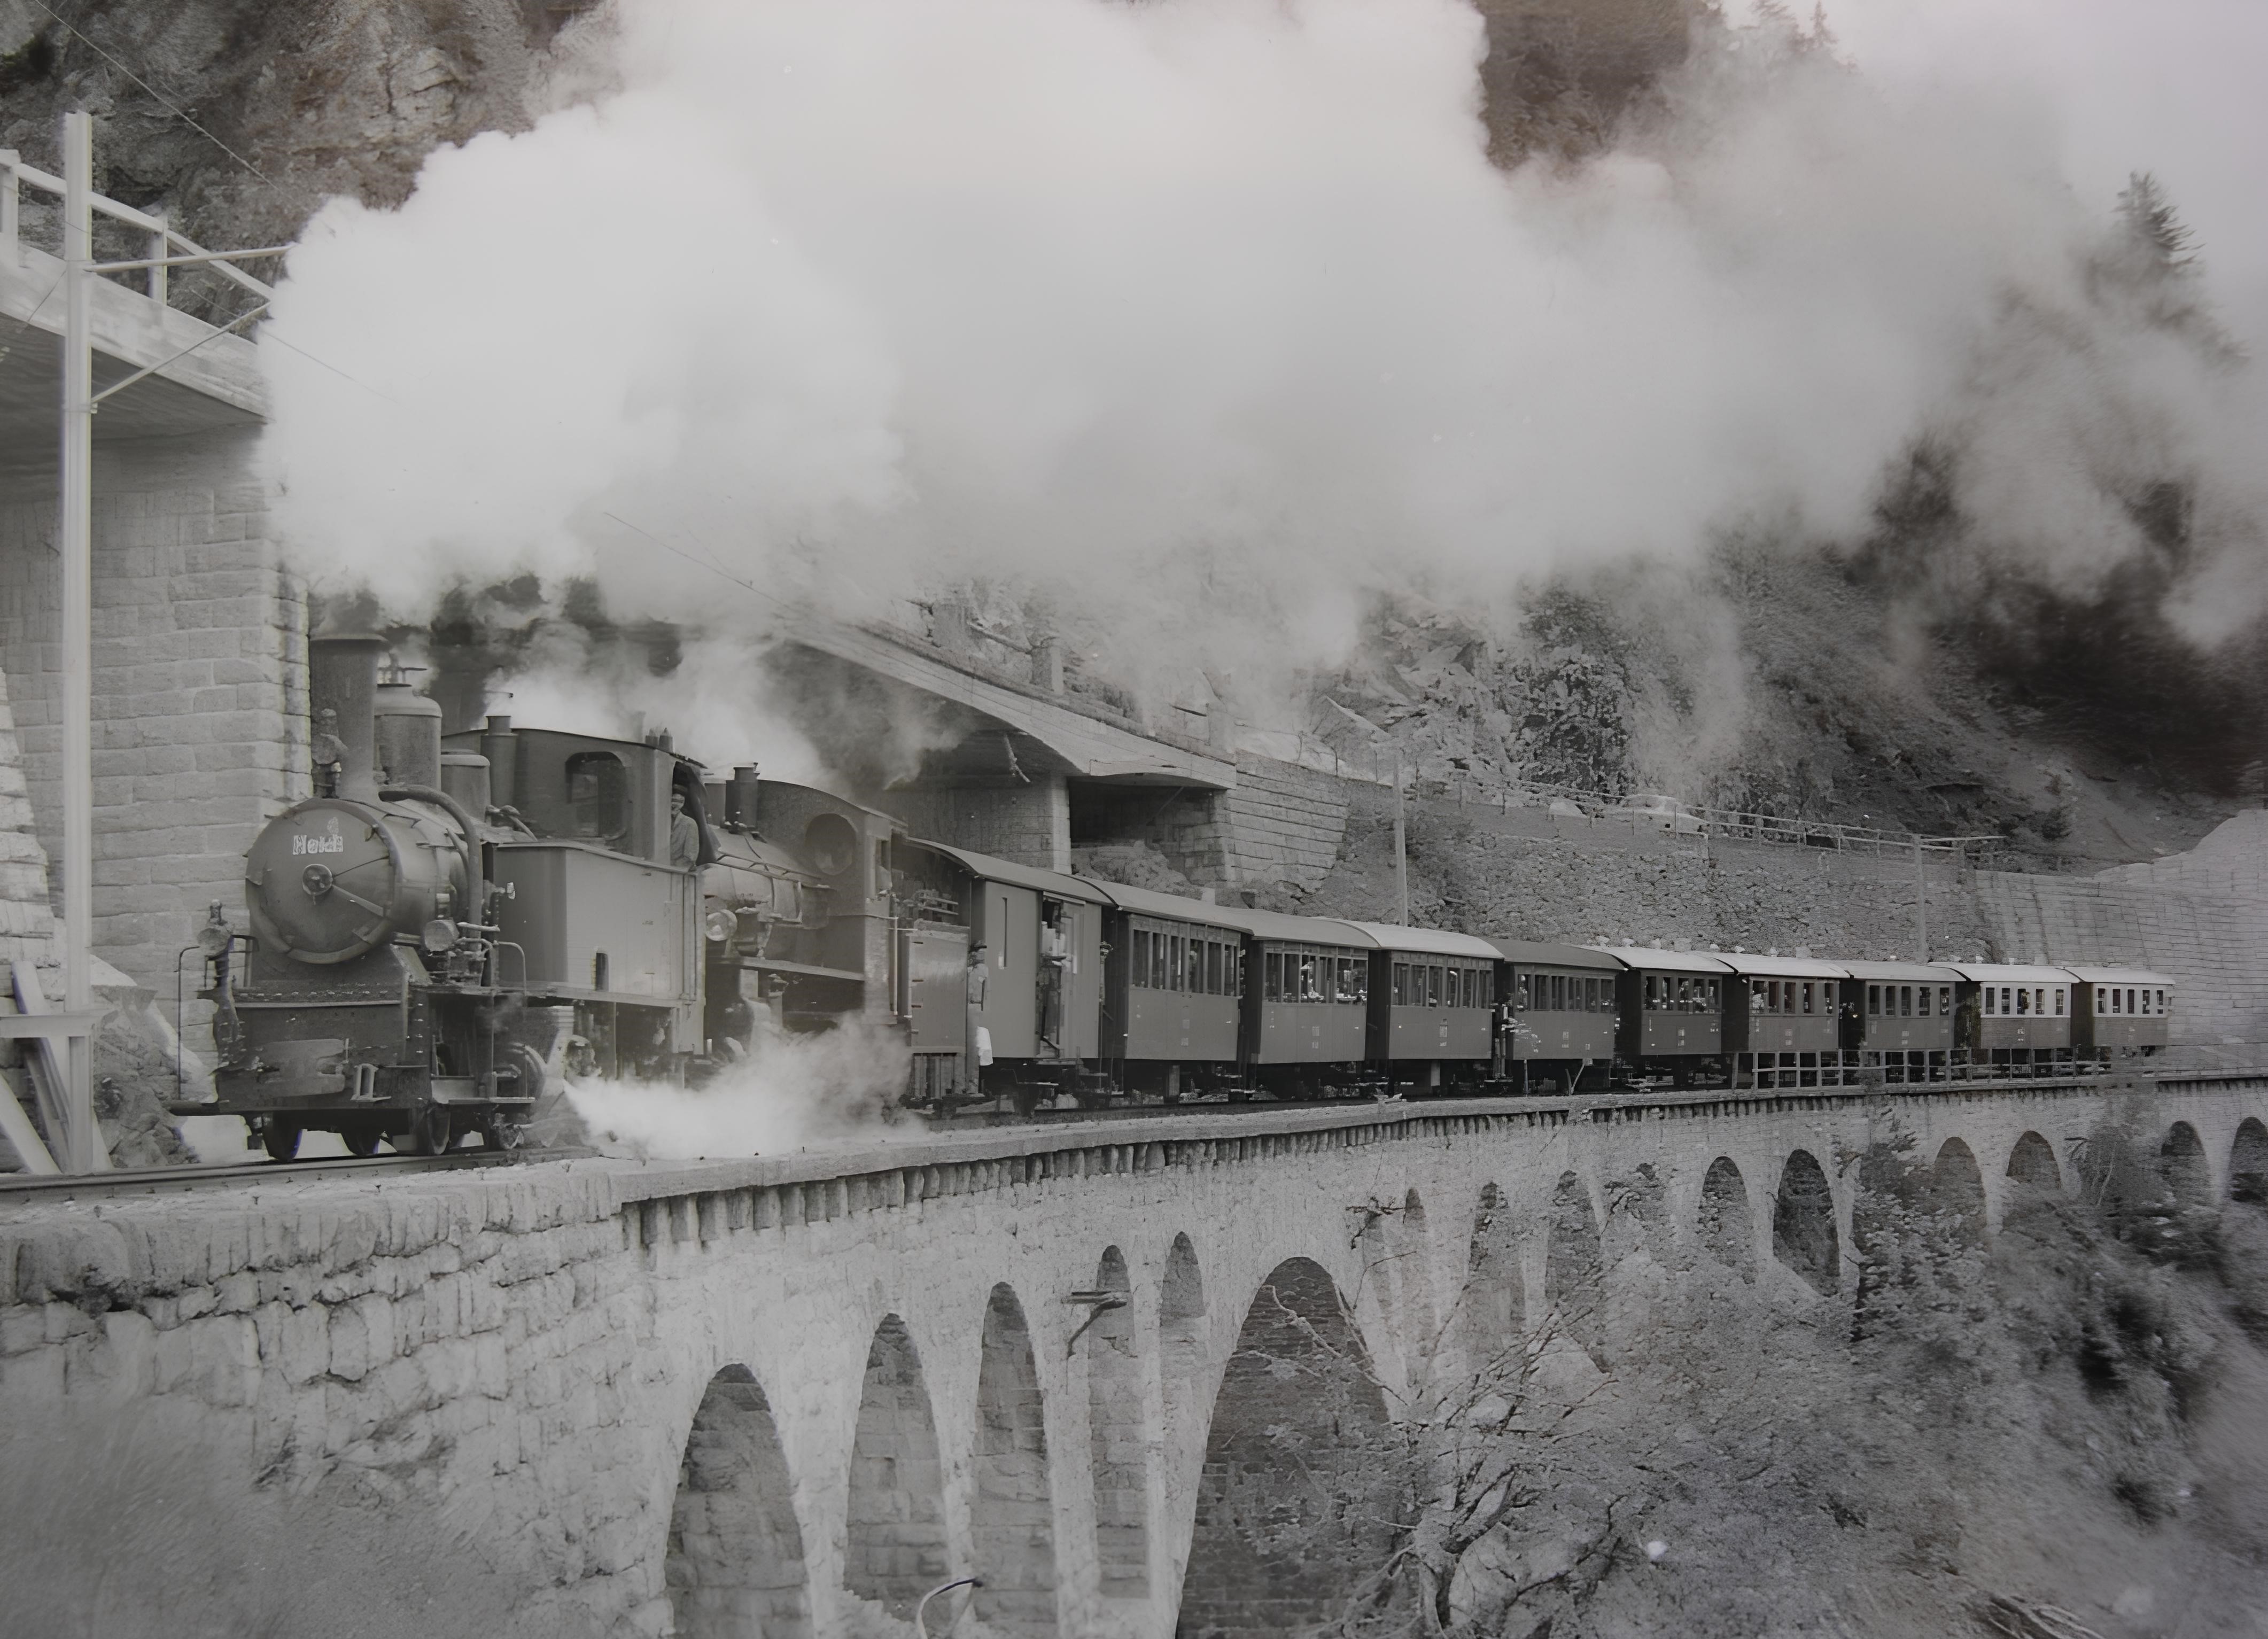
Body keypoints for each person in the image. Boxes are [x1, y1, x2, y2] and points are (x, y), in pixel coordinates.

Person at [669, 789, 702, 872]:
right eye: (672, 800)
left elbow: (690, 858)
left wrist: (667, 866)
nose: (674, 805)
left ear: (683, 804)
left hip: (678, 874)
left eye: (680, 802)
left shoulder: (690, 824)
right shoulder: (658, 821)